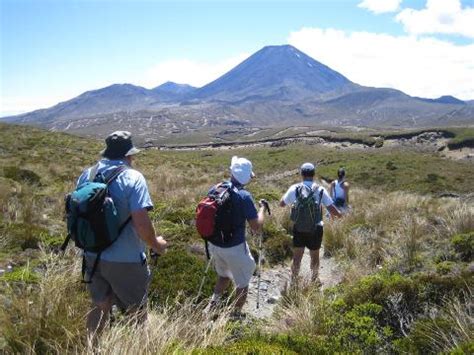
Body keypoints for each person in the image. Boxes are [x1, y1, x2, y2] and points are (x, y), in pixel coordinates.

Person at [76, 131, 167, 338]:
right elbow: (142, 224)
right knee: (138, 311)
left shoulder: (87, 174)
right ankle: (138, 349)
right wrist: (156, 244)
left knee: (99, 305)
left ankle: (93, 349)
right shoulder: (133, 177)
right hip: (126, 259)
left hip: (92, 255)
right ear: (129, 155)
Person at [207, 156, 266, 317]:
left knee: (223, 275)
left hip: (215, 244)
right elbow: (256, 227)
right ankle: (235, 314)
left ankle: (213, 304)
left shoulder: (215, 188)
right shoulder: (244, 196)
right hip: (234, 246)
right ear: (246, 178)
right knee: (243, 282)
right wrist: (262, 210)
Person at [280, 163, 341, 285]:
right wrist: (340, 215)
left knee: (297, 257)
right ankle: (314, 280)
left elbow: (282, 203)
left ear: (302, 174)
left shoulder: (294, 188)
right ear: (313, 175)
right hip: (316, 227)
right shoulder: (320, 190)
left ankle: (294, 280)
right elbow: (332, 210)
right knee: (315, 256)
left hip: (299, 227)